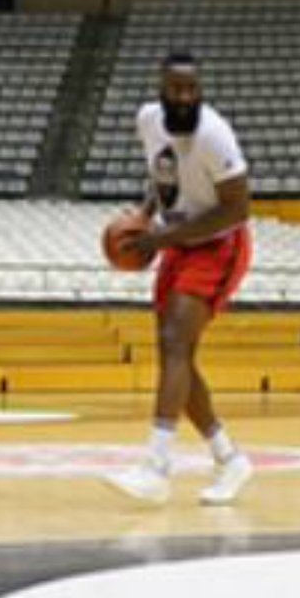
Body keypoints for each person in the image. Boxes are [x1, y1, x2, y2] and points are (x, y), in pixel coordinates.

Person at [106, 51, 255, 506]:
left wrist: (164, 236)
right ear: (162, 90)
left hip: (219, 243)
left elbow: (238, 207)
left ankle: (156, 465)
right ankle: (229, 458)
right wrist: (145, 216)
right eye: (177, 89)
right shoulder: (148, 121)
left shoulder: (214, 136)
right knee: (177, 356)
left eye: (193, 88)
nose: (186, 97)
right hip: (177, 240)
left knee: (174, 344)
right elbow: (163, 174)